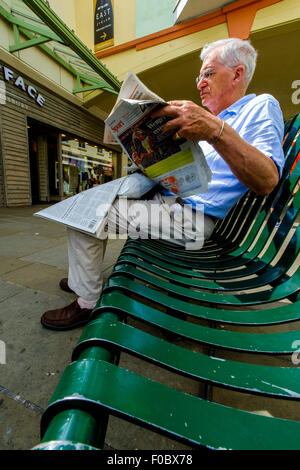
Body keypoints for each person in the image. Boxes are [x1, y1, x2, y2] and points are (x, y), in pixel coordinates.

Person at [41, 38, 285, 330]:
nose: (200, 84)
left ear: (237, 74)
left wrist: (214, 130)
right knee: (88, 203)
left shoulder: (260, 106)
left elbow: (267, 179)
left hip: (192, 220)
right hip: (166, 203)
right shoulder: (213, 120)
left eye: (209, 73)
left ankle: (87, 302)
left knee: (84, 214)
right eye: (200, 77)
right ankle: (83, 275)